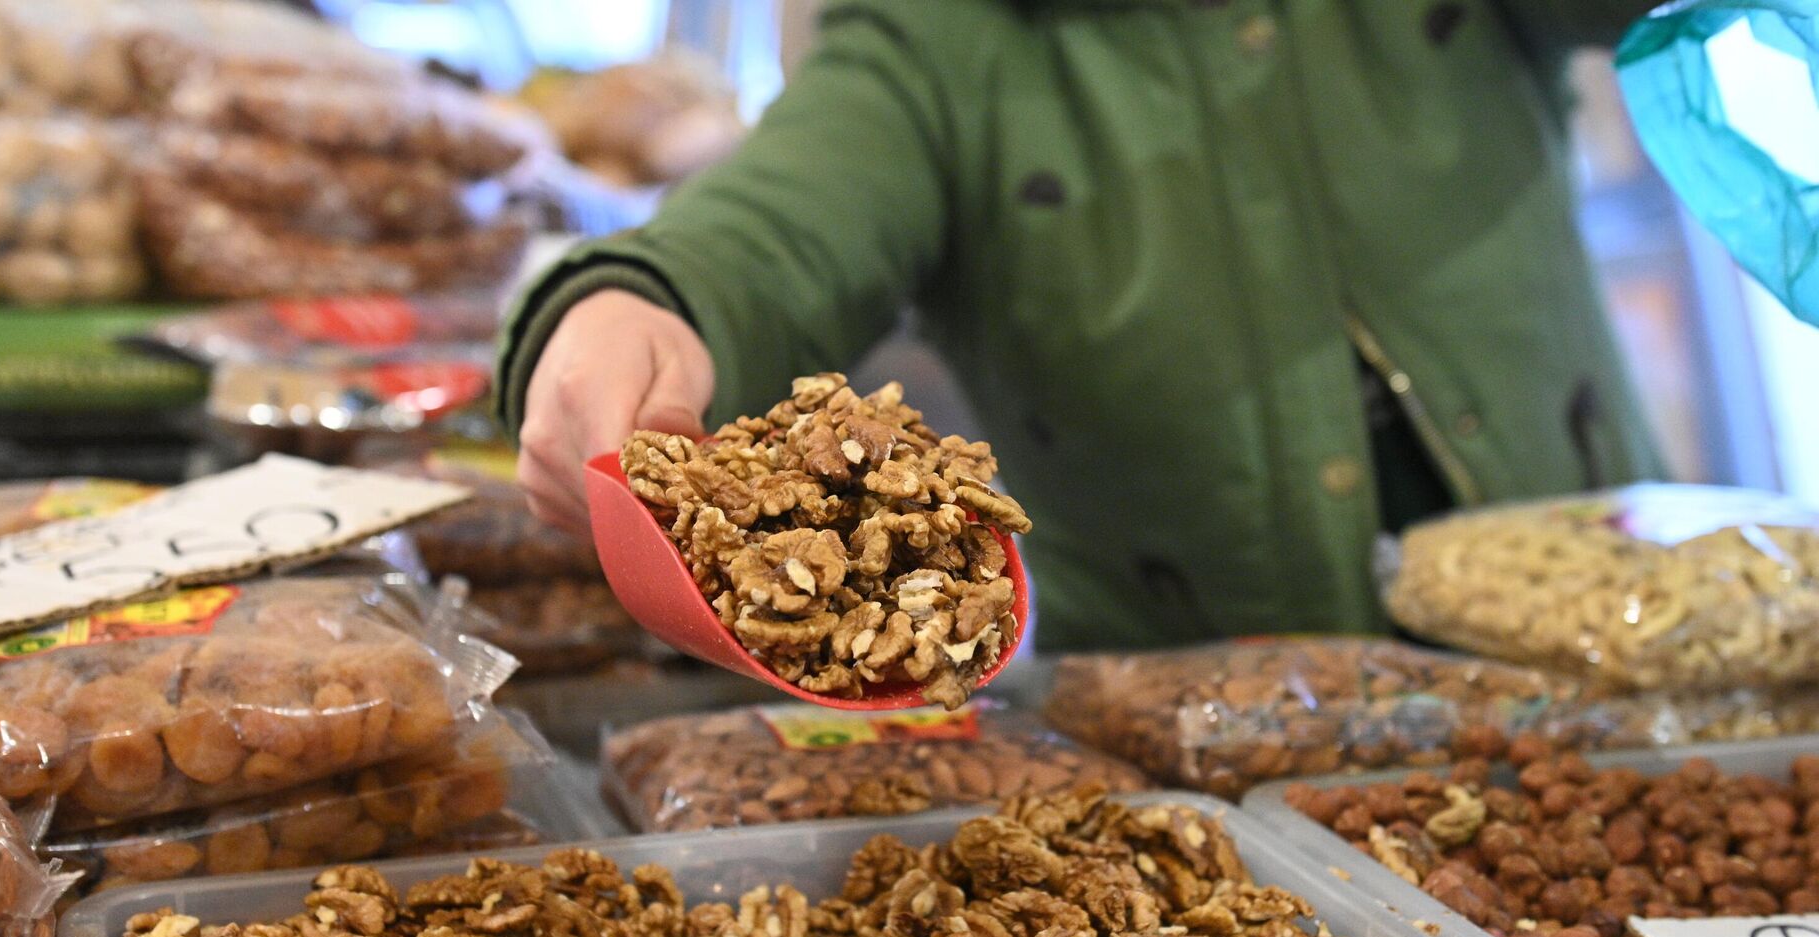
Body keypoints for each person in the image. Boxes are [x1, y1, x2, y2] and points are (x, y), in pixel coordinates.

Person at [497, 0, 1666, 653]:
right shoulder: (940, 42)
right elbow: (777, 226)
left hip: (1608, 622)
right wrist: (634, 300)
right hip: (1186, 701)